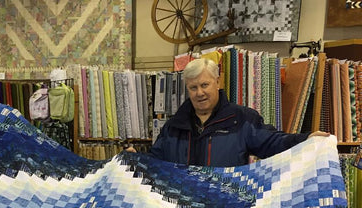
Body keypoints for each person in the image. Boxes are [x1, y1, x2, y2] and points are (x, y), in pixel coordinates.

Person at [127, 58, 329, 167]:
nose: (200, 93)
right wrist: (136, 158)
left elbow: (273, 143)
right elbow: (157, 160)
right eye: (193, 88)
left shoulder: (241, 119)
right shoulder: (174, 126)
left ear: (217, 82)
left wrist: (306, 140)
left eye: (204, 85)